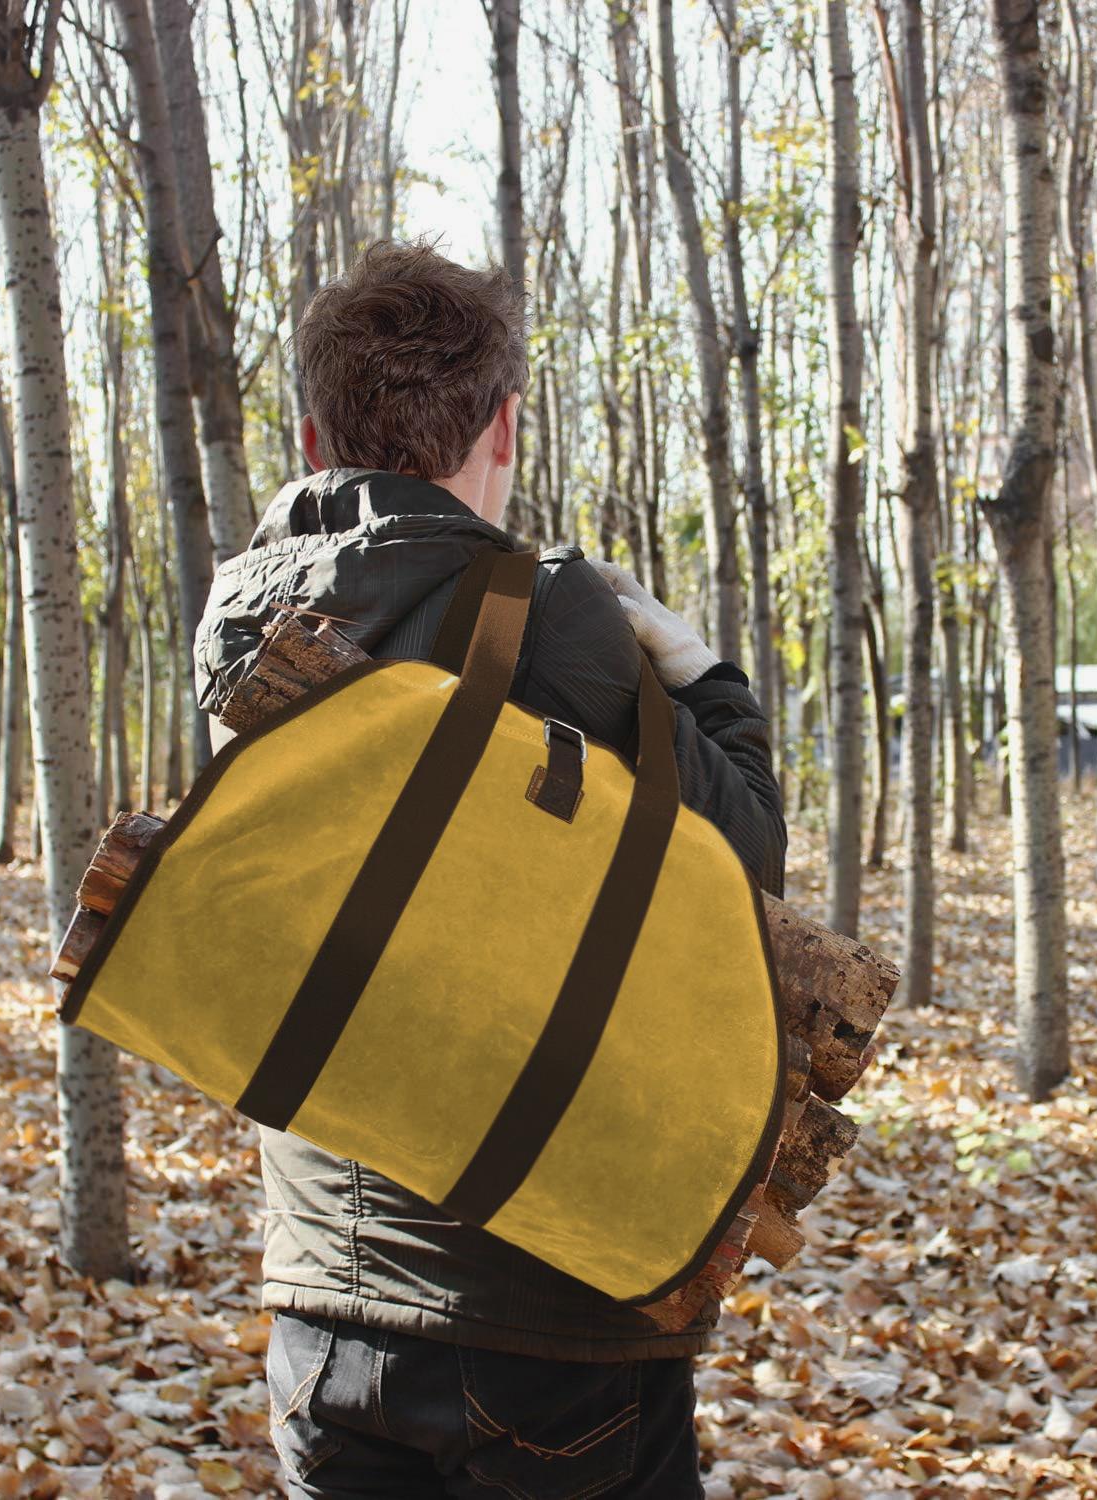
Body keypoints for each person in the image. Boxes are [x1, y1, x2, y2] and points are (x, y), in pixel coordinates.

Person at [193, 238, 786, 1499]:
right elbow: (747, 858)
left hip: (321, 1304)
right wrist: (701, 679)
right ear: (505, 423)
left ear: (313, 439)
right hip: (541, 1311)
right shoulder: (550, 614)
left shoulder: (247, 624)